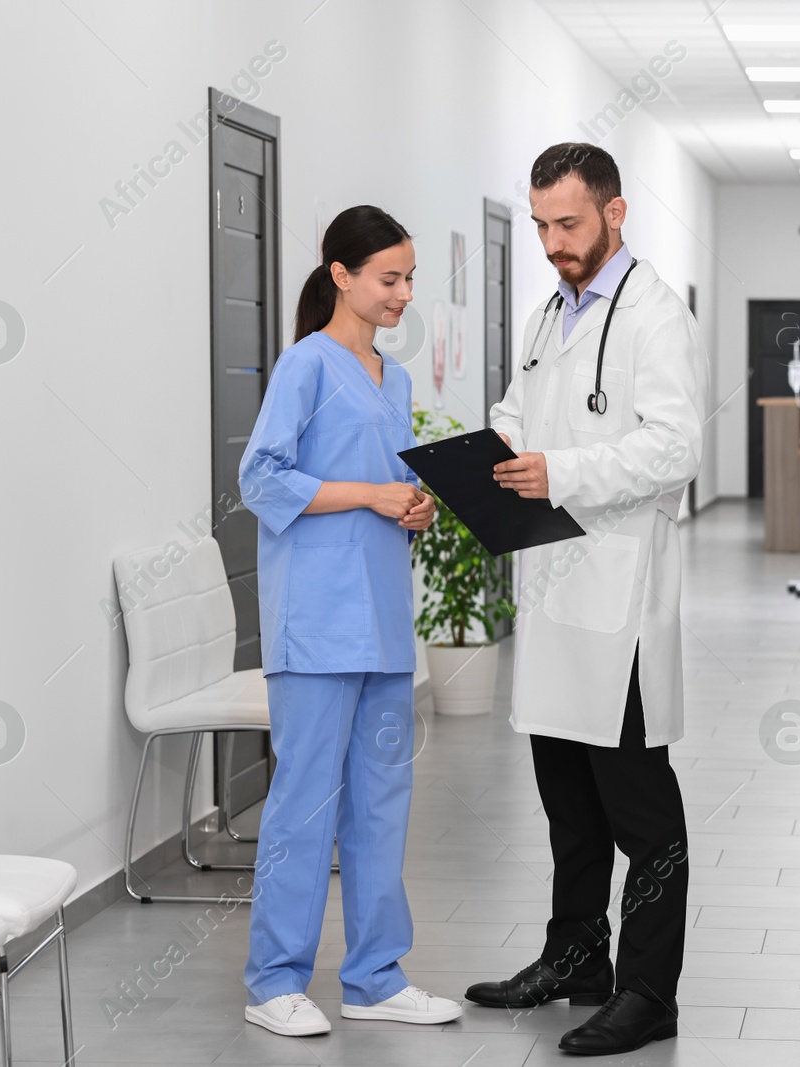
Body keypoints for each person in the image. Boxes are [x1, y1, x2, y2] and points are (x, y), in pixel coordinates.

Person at [465, 143, 704, 1057]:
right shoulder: (547, 314)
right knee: (568, 801)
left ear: (615, 213)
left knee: (643, 814)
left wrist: (557, 470)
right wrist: (494, 447)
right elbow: (521, 408)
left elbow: (673, 448)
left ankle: (649, 990)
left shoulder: (655, 316)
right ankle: (575, 958)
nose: (553, 242)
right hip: (556, 589)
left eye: (568, 223)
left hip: (623, 603)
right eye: (539, 225)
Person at [237, 205, 462, 1037]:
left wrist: (412, 506)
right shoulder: (305, 365)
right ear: (342, 276)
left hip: (380, 619)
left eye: (409, 279)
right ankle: (275, 980)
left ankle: (374, 974)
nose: (404, 294)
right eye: (388, 278)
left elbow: (380, 480)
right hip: (315, 619)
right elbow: (260, 480)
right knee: (303, 802)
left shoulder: (392, 379)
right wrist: (370, 494)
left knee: (380, 802)